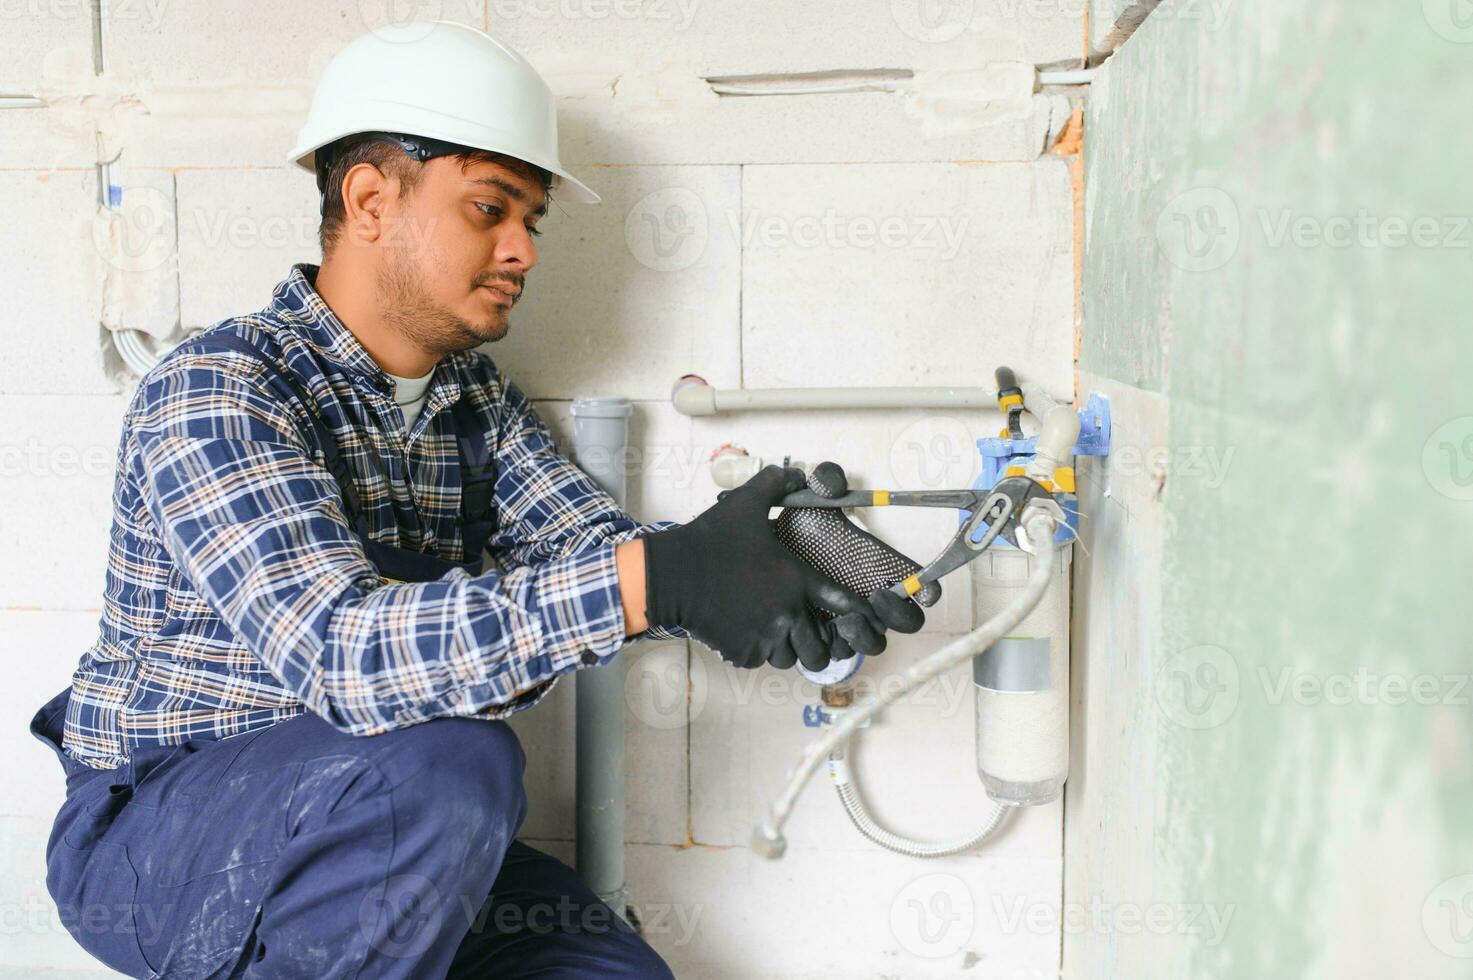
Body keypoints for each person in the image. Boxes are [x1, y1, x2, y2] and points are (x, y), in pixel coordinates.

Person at [28, 22, 922, 978]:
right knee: (457, 760)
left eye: (529, 220)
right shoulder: (220, 390)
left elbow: (598, 554)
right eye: (489, 209)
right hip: (166, 831)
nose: (523, 250)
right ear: (371, 198)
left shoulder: (473, 400)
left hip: (379, 819)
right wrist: (660, 580)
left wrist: (772, 555)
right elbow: (344, 655)